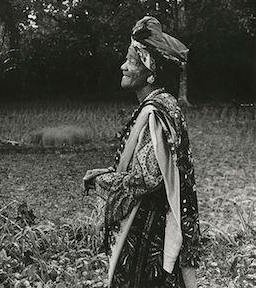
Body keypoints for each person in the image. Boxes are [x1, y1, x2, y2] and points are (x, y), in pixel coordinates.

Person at [84, 16, 200, 288]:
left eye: (131, 62)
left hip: (148, 229)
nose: (123, 66)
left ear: (151, 71)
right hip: (157, 221)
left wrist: (101, 181)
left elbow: (146, 178)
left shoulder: (155, 113)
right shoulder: (165, 105)